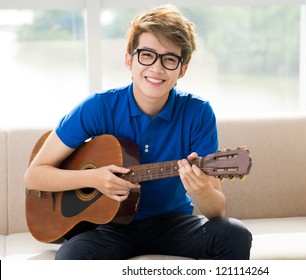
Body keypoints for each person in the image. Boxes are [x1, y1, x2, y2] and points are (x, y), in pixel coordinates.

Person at [24, 4, 252, 260]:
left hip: (172, 224)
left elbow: (216, 212)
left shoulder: (198, 113)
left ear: (182, 70)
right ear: (129, 60)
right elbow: (34, 176)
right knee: (71, 257)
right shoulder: (98, 108)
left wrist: (201, 190)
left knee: (234, 233)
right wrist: (94, 179)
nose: (156, 68)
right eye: (147, 55)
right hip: (109, 228)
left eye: (169, 59)